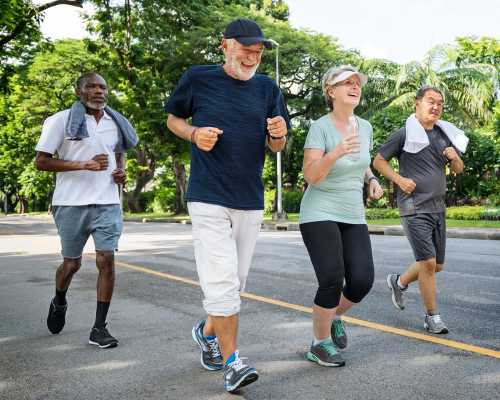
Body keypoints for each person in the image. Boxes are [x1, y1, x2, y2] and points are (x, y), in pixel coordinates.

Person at [165, 18, 290, 393]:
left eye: (258, 52)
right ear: (225, 46)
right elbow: (173, 118)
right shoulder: (198, 78)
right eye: (246, 49)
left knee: (235, 285)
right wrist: (193, 134)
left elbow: (277, 146)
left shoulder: (268, 88)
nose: (253, 57)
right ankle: (233, 362)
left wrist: (279, 136)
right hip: (207, 195)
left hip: (249, 198)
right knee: (221, 282)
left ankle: (206, 334)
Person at [35, 72, 138, 348]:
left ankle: (99, 327)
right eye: (91, 86)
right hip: (70, 203)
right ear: (78, 91)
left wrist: (120, 172)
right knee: (72, 264)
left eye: (102, 87)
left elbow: (118, 152)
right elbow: (42, 162)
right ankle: (59, 300)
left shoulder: (115, 122)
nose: (98, 91)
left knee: (106, 260)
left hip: (107, 202)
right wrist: (83, 165)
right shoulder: (59, 121)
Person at [299, 66, 383, 367]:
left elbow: (361, 163)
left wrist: (371, 180)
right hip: (318, 210)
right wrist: (334, 153)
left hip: (353, 213)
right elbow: (311, 175)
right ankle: (319, 344)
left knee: (361, 280)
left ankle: (332, 316)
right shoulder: (320, 127)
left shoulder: (365, 127)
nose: (354, 86)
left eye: (356, 82)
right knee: (332, 278)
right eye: (345, 83)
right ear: (330, 91)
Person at [373, 86, 466, 334]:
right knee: (427, 264)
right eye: (430, 101)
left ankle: (399, 282)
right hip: (413, 207)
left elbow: (458, 169)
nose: (435, 107)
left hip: (438, 208)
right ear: (417, 103)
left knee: (436, 266)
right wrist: (399, 180)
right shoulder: (404, 134)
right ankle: (432, 317)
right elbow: (378, 160)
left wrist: (454, 156)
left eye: (440, 103)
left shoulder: (443, 134)